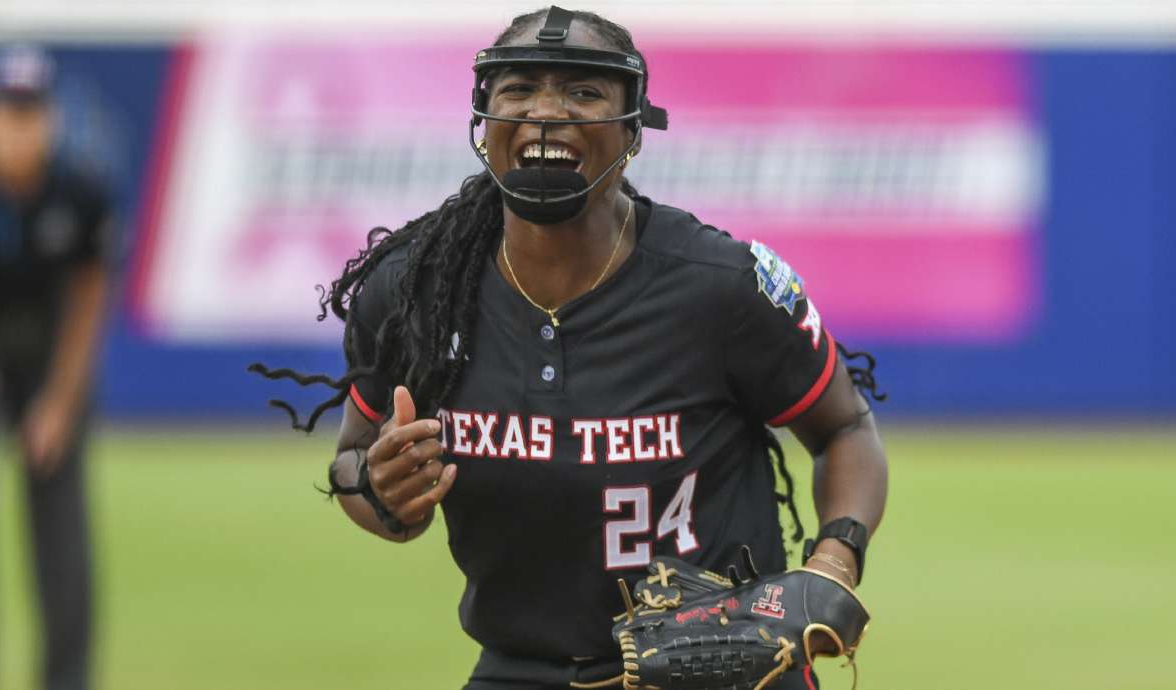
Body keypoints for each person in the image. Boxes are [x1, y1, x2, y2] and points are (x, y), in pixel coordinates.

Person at [255, 7, 888, 689]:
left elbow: (845, 427)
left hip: (723, 671)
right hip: (520, 670)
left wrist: (834, 560)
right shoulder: (414, 291)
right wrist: (380, 492)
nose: (547, 113)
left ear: (632, 129)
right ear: (483, 119)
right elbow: (353, 458)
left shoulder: (721, 286)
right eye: (519, 89)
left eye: (583, 92)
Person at [0, 44, 112, 690]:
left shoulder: (81, 191)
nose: (18, 127)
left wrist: (59, 403)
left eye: (30, 112)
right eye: (7, 111)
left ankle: (67, 680)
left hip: (47, 354)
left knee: (61, 528)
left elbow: (88, 300)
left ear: (50, 119)